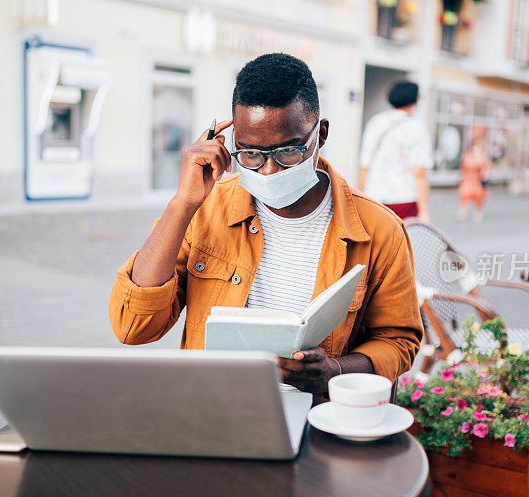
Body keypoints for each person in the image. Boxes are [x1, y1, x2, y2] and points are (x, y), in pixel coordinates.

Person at [108, 53, 423, 392]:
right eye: (251, 154)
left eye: (289, 152)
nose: (269, 171)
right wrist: (182, 204)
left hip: (315, 420)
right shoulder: (204, 210)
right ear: (229, 146)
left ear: (322, 134)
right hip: (211, 404)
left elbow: (397, 340)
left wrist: (336, 371)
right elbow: (133, 326)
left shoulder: (380, 230)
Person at [357, 80, 432, 222]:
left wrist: (360, 197)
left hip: (373, 197)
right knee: (401, 242)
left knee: (376, 243)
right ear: (415, 100)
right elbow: (419, 172)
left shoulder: (375, 122)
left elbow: (364, 165)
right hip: (404, 200)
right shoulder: (417, 128)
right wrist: (424, 210)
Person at [456, 136, 490, 223]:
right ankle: (463, 212)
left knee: (478, 198)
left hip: (476, 181)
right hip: (468, 180)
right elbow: (464, 166)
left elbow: (484, 171)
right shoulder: (468, 156)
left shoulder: (482, 157)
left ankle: (477, 212)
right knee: (464, 196)